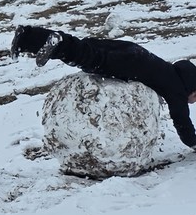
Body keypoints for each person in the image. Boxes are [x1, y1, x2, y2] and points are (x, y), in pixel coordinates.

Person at [11, 25, 196, 147]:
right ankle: (57, 43)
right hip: (130, 62)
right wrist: (193, 143)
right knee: (87, 57)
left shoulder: (171, 71)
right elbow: (181, 120)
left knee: (84, 47)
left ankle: (27, 37)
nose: (193, 103)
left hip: (132, 50)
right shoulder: (178, 89)